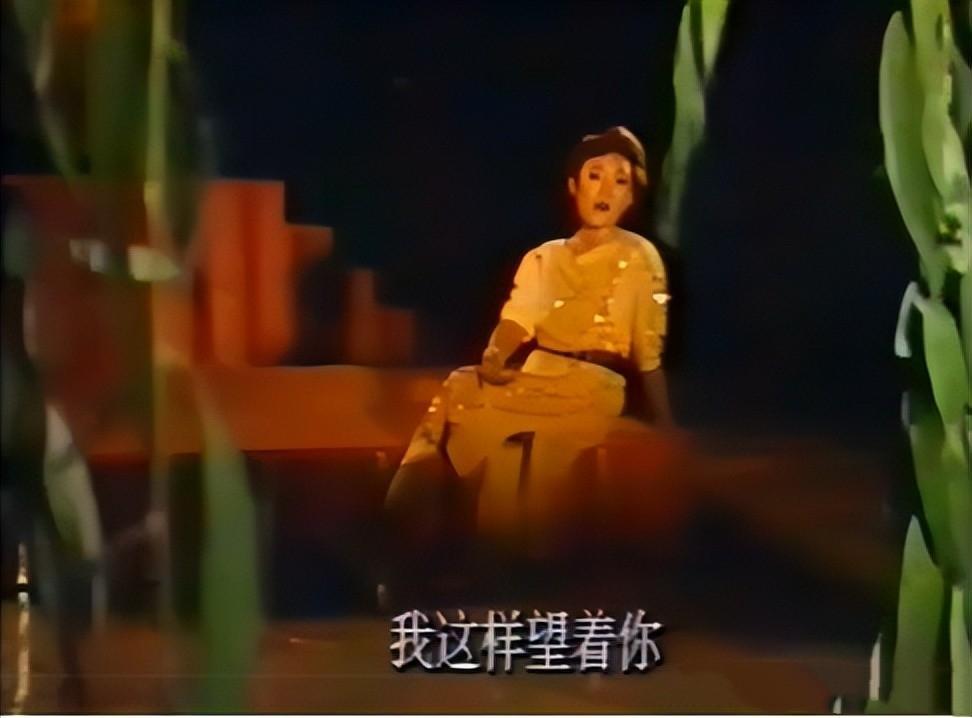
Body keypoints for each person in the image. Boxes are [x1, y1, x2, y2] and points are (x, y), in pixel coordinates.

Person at [384, 126, 672, 570]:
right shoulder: (544, 257)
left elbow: (648, 349)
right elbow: (517, 320)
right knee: (459, 387)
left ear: (631, 196)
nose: (606, 190)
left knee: (501, 429)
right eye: (595, 175)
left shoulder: (639, 256)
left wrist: (665, 420)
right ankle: (405, 527)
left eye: (621, 181)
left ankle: (481, 548)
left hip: (592, 385)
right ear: (574, 185)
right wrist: (495, 355)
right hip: (538, 373)